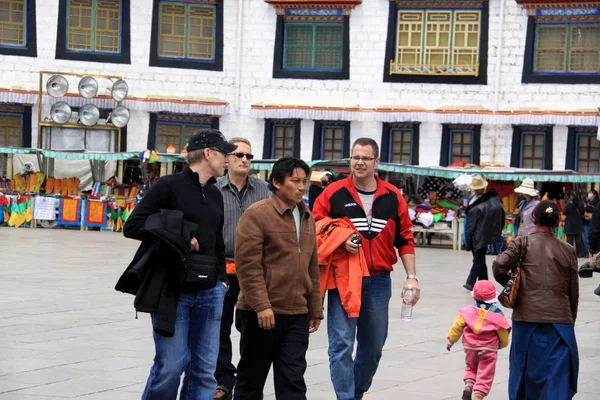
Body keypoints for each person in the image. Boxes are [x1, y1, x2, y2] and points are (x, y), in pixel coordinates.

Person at [120, 128, 238, 399]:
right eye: (224, 154)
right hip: (173, 290)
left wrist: (222, 281)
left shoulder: (216, 193)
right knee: (171, 366)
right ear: (208, 154)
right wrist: (182, 233)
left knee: (204, 370)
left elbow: (217, 241)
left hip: (210, 291)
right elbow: (133, 226)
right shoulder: (168, 186)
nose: (228, 160)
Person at [312, 137, 420, 400]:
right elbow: (313, 228)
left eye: (365, 158)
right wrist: (340, 240)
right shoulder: (332, 193)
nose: (359, 162)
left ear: (376, 162)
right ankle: (345, 397)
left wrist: (412, 277)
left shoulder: (393, 196)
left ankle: (357, 392)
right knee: (341, 344)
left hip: (379, 281)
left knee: (373, 347)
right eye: (355, 157)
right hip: (343, 279)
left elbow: (405, 238)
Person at [233, 157, 323, 400]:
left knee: (293, 380)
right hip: (260, 313)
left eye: (304, 181)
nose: (302, 187)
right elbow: (248, 266)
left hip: (296, 314)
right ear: (277, 182)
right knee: (251, 379)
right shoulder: (257, 214)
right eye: (295, 181)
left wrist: (315, 308)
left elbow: (312, 265)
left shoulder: (307, 216)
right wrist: (262, 306)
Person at [493, 201, 579, 400]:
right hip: (560, 321)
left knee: (523, 371)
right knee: (558, 376)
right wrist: (569, 319)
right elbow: (572, 291)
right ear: (558, 222)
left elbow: (499, 264)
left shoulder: (521, 243)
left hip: (526, 317)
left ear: (534, 218)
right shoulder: (568, 249)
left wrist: (513, 283)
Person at [214, 138, 271, 400]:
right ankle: (223, 380)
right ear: (227, 158)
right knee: (219, 327)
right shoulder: (213, 189)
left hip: (254, 271)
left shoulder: (265, 190)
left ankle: (248, 382)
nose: (245, 160)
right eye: (239, 154)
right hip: (221, 269)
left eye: (249, 155)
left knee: (251, 328)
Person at [446, 280, 511, 400]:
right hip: (489, 348)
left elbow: (457, 327)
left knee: (471, 367)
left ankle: (468, 386)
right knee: (485, 372)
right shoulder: (497, 314)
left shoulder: (468, 311)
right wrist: (502, 344)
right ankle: (478, 395)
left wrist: (451, 341)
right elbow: (503, 333)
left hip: (470, 346)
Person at [463, 176, 505, 291]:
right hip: (474, 234)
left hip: (483, 234)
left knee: (478, 259)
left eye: (479, 188)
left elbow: (498, 216)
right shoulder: (473, 199)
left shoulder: (491, 201)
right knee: (480, 259)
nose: (478, 190)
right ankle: (484, 281)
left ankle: (470, 282)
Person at [563, 190, 585, 257]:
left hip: (570, 223)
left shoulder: (569, 203)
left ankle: (570, 254)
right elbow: (582, 212)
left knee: (570, 240)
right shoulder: (580, 203)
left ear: (571, 195)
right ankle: (579, 254)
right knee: (578, 239)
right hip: (578, 223)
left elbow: (564, 212)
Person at [582, 190, 598, 257]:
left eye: (591, 193)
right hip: (587, 221)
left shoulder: (595, 203)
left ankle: (587, 251)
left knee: (587, 236)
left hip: (589, 222)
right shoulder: (589, 201)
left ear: (595, 195)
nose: (589, 194)